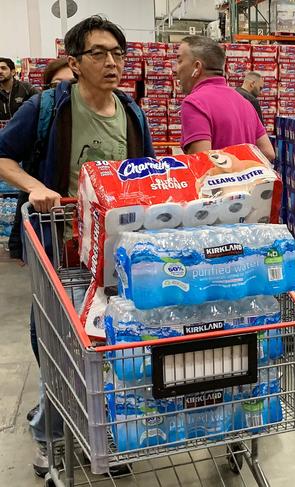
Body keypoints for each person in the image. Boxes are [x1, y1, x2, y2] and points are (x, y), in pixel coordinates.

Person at [0, 15, 154, 476]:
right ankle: (50, 438)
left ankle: (97, 435)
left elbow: (145, 174)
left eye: (118, 54)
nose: (112, 62)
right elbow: (3, 156)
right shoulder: (47, 107)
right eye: (99, 54)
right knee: (61, 348)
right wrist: (34, 187)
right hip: (60, 251)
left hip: (116, 253)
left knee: (112, 347)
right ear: (75, 61)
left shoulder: (132, 111)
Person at [8, 58, 75, 260]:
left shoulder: (123, 110)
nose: (65, 90)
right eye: (57, 85)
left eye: (73, 84)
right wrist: (34, 186)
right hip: (52, 231)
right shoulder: (39, 109)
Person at [176, 36, 275, 160]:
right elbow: (268, 152)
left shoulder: (195, 103)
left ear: (197, 67)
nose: (176, 69)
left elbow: (202, 162)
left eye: (179, 61)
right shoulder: (244, 103)